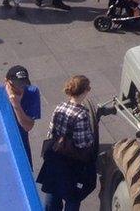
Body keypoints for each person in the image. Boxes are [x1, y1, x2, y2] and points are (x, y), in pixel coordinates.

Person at [38, 75, 97, 210]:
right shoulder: (81, 115)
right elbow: (84, 144)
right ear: (84, 91)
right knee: (72, 198)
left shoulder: (59, 107)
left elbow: (50, 133)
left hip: (55, 157)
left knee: (52, 191)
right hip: (71, 162)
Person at [0, 65, 40, 164]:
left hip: (20, 144)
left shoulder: (32, 92)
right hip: (0, 145)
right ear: (6, 81)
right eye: (14, 86)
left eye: (23, 85)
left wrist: (16, 105)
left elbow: (28, 126)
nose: (20, 89)